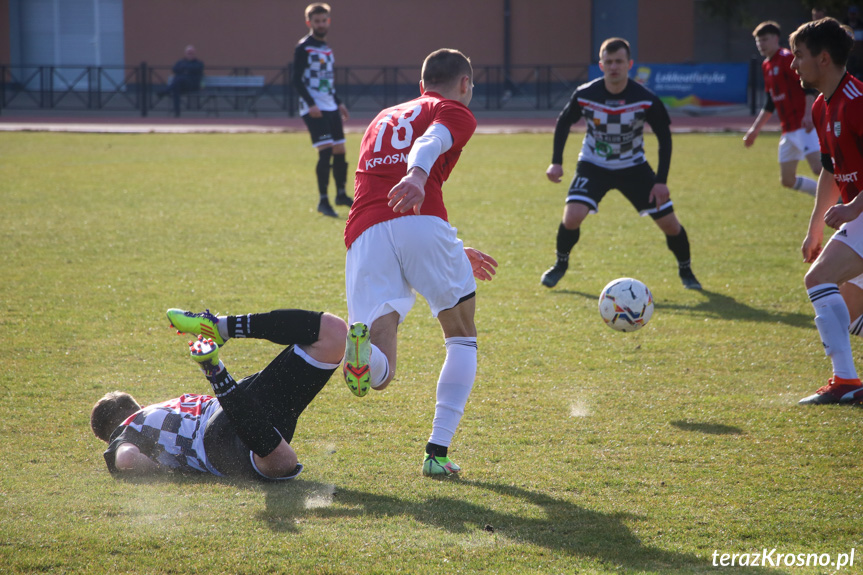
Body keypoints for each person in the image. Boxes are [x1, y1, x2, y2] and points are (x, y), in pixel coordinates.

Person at [341, 48, 499, 477]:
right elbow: (430, 142)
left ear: (420, 85)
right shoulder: (453, 109)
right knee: (462, 336)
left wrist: (451, 247)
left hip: (364, 233)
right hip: (419, 217)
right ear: (465, 83)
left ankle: (357, 351)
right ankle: (437, 452)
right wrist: (416, 175)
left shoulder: (380, 118)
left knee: (380, 371)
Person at [91, 308, 346, 478]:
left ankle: (215, 370)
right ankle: (220, 327)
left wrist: (162, 470)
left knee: (282, 463)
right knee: (334, 334)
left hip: (220, 439)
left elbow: (126, 459)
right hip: (238, 403)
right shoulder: (163, 408)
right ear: (136, 404)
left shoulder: (129, 429)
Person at [540, 37, 701, 290]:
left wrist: (661, 181)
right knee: (572, 217)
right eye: (609, 61)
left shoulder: (645, 99)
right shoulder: (585, 94)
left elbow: (664, 139)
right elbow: (563, 122)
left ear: (630, 64)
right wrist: (556, 162)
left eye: (619, 61)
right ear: (601, 65)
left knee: (670, 224)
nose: (614, 66)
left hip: (634, 168)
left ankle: (687, 271)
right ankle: (560, 264)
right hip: (593, 165)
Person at [791, 17, 863, 404]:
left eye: (798, 55)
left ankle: (846, 383)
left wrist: (853, 207)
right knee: (849, 315)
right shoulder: (822, 107)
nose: (793, 65)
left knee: (819, 281)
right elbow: (831, 173)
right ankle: (848, 383)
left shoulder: (857, 102)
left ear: (822, 58)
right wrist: (814, 228)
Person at [743, 21, 821, 196]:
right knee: (787, 180)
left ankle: (847, 197)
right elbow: (770, 102)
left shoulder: (787, 58)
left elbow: (807, 86)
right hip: (787, 130)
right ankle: (828, 197)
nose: (760, 44)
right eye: (758, 41)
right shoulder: (766, 65)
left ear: (776, 38)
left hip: (804, 124)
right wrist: (754, 131)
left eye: (764, 39)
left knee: (818, 168)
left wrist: (809, 115)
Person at [293, 3, 352, 218]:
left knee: (340, 150)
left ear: (328, 21)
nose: (320, 24)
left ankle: (341, 194)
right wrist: (311, 104)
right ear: (309, 23)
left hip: (330, 106)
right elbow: (296, 80)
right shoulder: (304, 47)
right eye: (316, 21)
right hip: (314, 109)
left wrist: (339, 102)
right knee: (325, 149)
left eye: (323, 20)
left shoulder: (327, 48)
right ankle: (323, 200)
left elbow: (327, 81)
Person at [161, 45, 204, 118]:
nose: (190, 55)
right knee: (176, 87)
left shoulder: (198, 63)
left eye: (191, 53)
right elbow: (174, 69)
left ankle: (166, 90)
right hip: (181, 86)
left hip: (192, 86)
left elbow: (196, 69)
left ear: (194, 54)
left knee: (179, 80)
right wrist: (186, 70)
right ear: (185, 53)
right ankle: (177, 112)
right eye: (188, 53)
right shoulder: (180, 62)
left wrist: (184, 69)